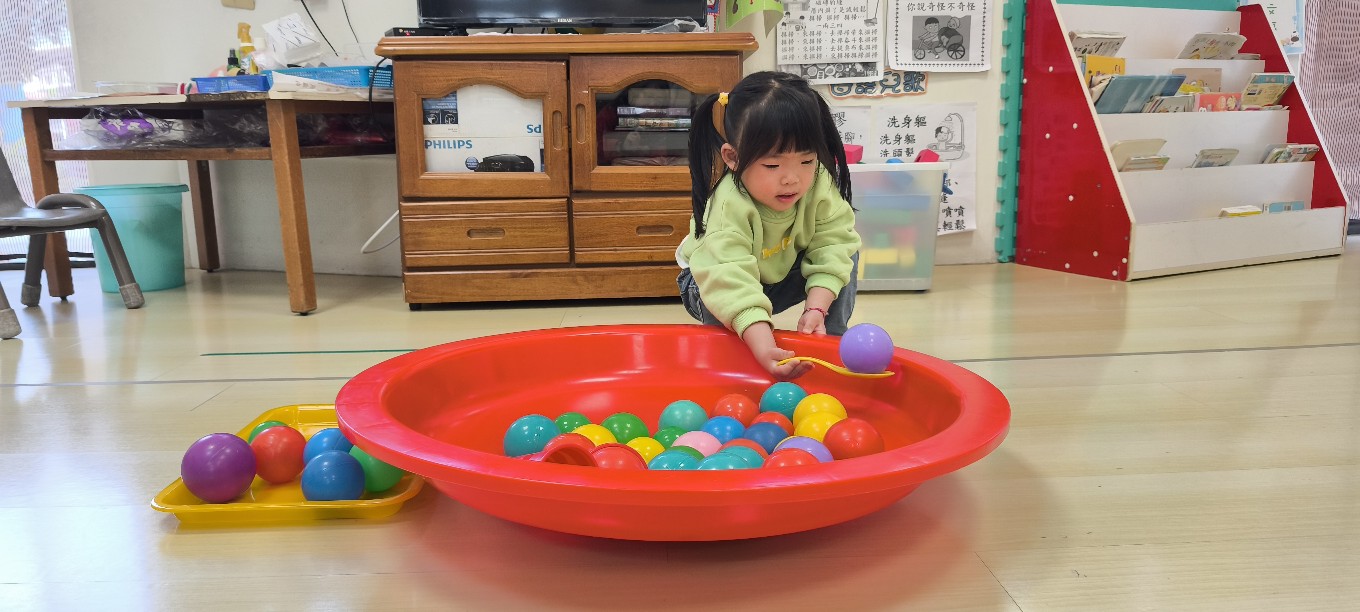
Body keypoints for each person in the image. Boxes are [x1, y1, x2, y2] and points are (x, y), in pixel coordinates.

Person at [676, 71, 862, 381]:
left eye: (806, 161)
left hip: (775, 274)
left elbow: (834, 242)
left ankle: (830, 338)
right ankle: (727, 356)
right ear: (733, 158)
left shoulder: (817, 181)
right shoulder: (729, 205)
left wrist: (816, 309)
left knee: (847, 250)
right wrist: (764, 347)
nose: (792, 179)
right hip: (710, 282)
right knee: (723, 297)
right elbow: (727, 276)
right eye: (772, 165)